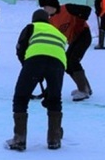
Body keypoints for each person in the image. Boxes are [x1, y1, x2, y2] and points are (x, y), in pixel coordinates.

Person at [6, 9, 67, 151]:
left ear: (34, 19)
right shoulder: (58, 32)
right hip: (59, 63)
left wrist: (27, 67)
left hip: (35, 60)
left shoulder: (31, 27)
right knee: (55, 99)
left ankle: (19, 139)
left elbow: (20, 48)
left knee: (20, 97)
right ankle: (54, 139)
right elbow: (58, 53)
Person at [39, 0, 93, 102]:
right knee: (67, 64)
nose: (44, 10)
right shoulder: (51, 21)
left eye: (45, 7)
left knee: (73, 60)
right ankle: (86, 87)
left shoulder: (67, 8)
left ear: (51, 5)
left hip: (83, 35)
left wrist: (79, 23)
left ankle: (83, 90)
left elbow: (87, 9)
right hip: (73, 40)